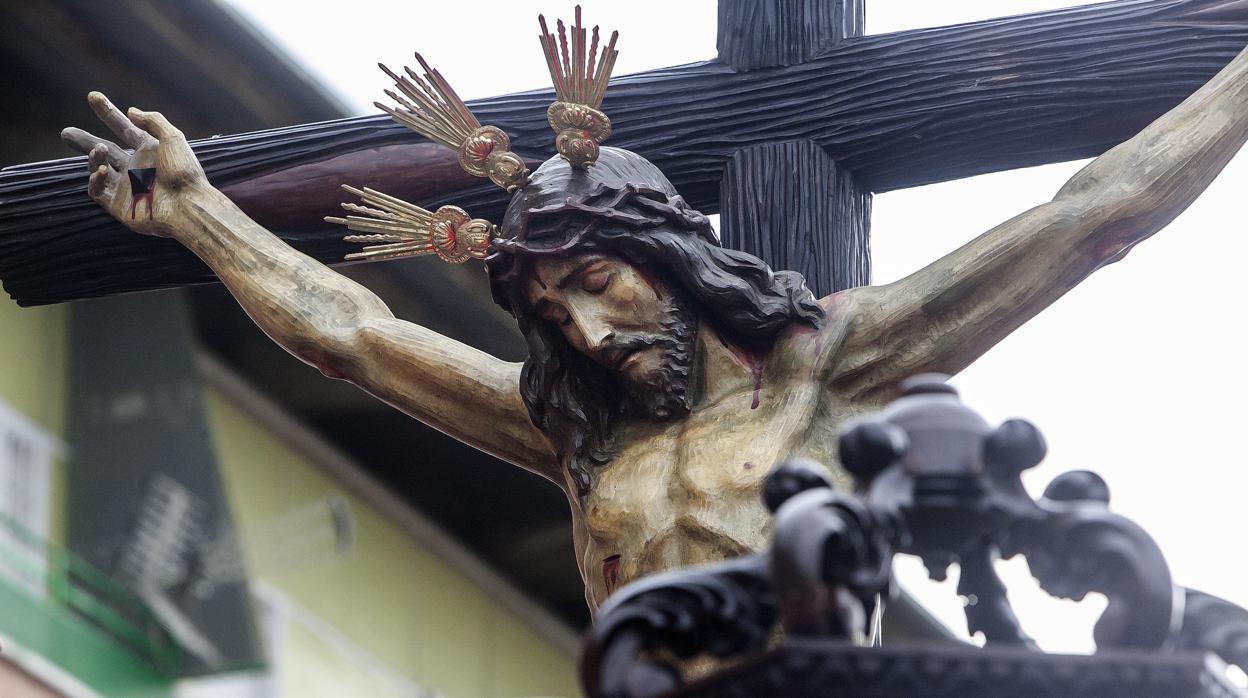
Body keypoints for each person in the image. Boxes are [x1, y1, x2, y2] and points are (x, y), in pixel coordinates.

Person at [59, 28, 1248, 610]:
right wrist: (199, 213)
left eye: (594, 281)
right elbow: (351, 334)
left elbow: (1095, 210)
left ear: (667, 259)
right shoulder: (575, 439)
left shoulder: (833, 365)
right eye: (543, 308)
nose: (578, 331)